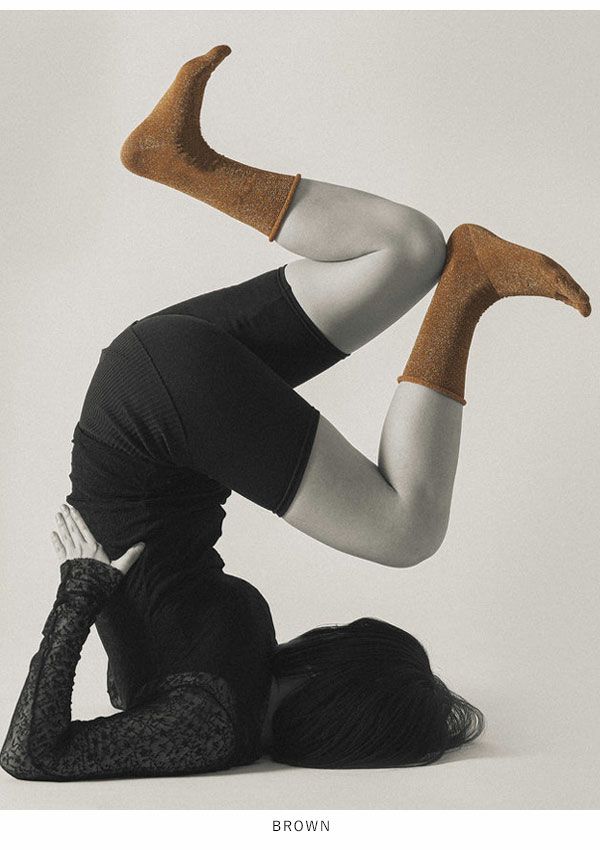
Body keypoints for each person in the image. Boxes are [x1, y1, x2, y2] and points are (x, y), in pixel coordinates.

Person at [0, 46, 590, 782]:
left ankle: (467, 283)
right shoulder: (240, 695)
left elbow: (30, 755)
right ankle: (177, 158)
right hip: (142, 387)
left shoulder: (216, 725)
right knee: (409, 250)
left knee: (408, 529)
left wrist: (82, 590)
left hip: (164, 403)